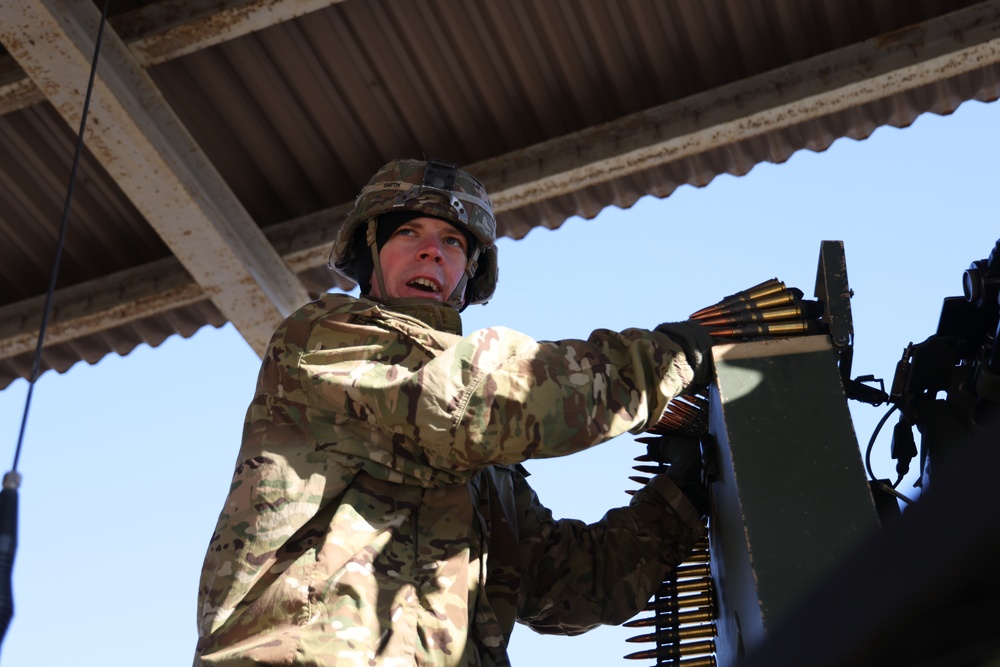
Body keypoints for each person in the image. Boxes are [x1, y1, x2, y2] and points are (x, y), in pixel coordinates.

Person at [194, 158, 715, 666]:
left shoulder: (484, 462)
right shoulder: (326, 339)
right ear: (369, 249)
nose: (431, 253)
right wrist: (677, 355)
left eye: (453, 242)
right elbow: (479, 403)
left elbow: (570, 586)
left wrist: (681, 499)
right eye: (408, 233)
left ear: (468, 273)